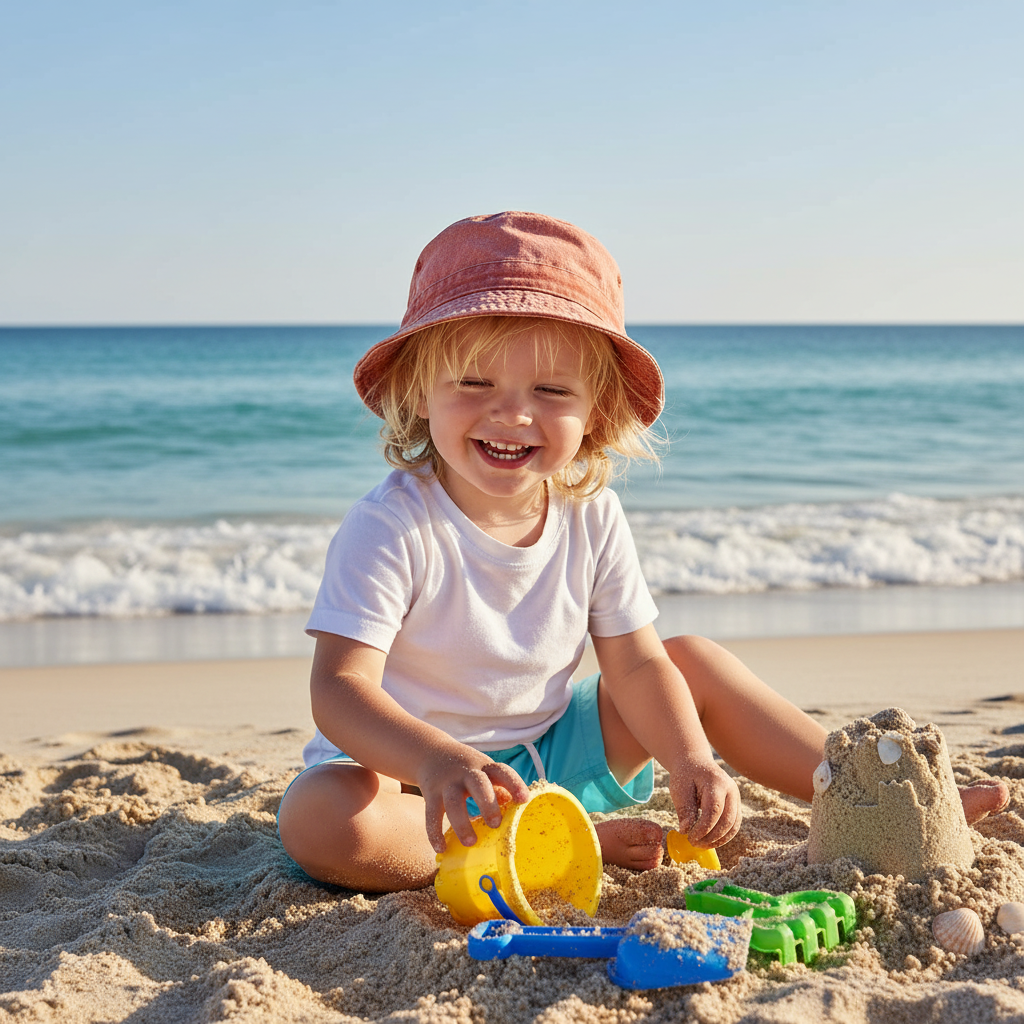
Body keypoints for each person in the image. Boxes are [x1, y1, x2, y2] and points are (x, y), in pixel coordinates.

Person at [277, 211, 1007, 892]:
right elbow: (340, 690)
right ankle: (551, 846)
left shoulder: (590, 513)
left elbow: (633, 662)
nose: (512, 411)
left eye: (551, 390)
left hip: (551, 754)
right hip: (413, 780)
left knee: (690, 660)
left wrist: (689, 759)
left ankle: (868, 797)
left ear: (596, 412)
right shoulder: (392, 526)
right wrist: (435, 759)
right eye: (473, 382)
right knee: (322, 817)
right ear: (417, 391)